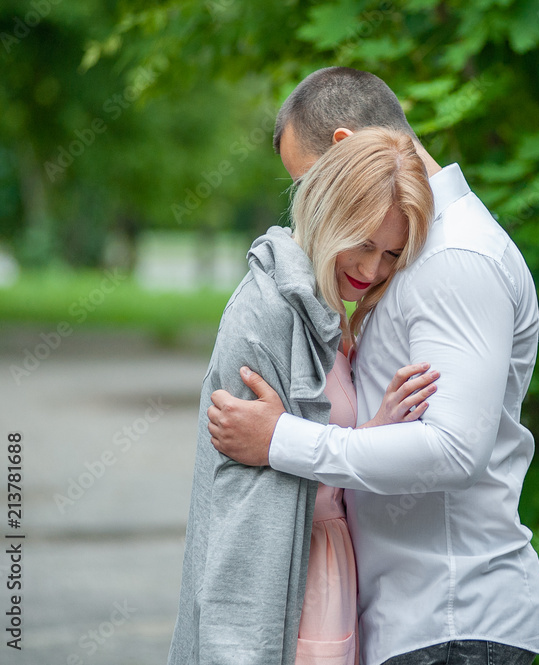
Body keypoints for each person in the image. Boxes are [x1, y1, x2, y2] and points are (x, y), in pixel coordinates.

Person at [207, 67, 539, 665]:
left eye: (307, 180)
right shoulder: (416, 249)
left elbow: (453, 452)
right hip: (420, 624)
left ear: (344, 151)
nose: (307, 209)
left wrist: (281, 440)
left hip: (452, 625)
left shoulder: (456, 259)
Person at [167, 127, 435, 665]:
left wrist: (374, 430)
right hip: (287, 574)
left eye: (391, 253)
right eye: (362, 243)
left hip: (331, 570)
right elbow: (242, 498)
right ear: (330, 211)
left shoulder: (331, 312)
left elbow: (299, 452)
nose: (371, 270)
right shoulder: (267, 313)